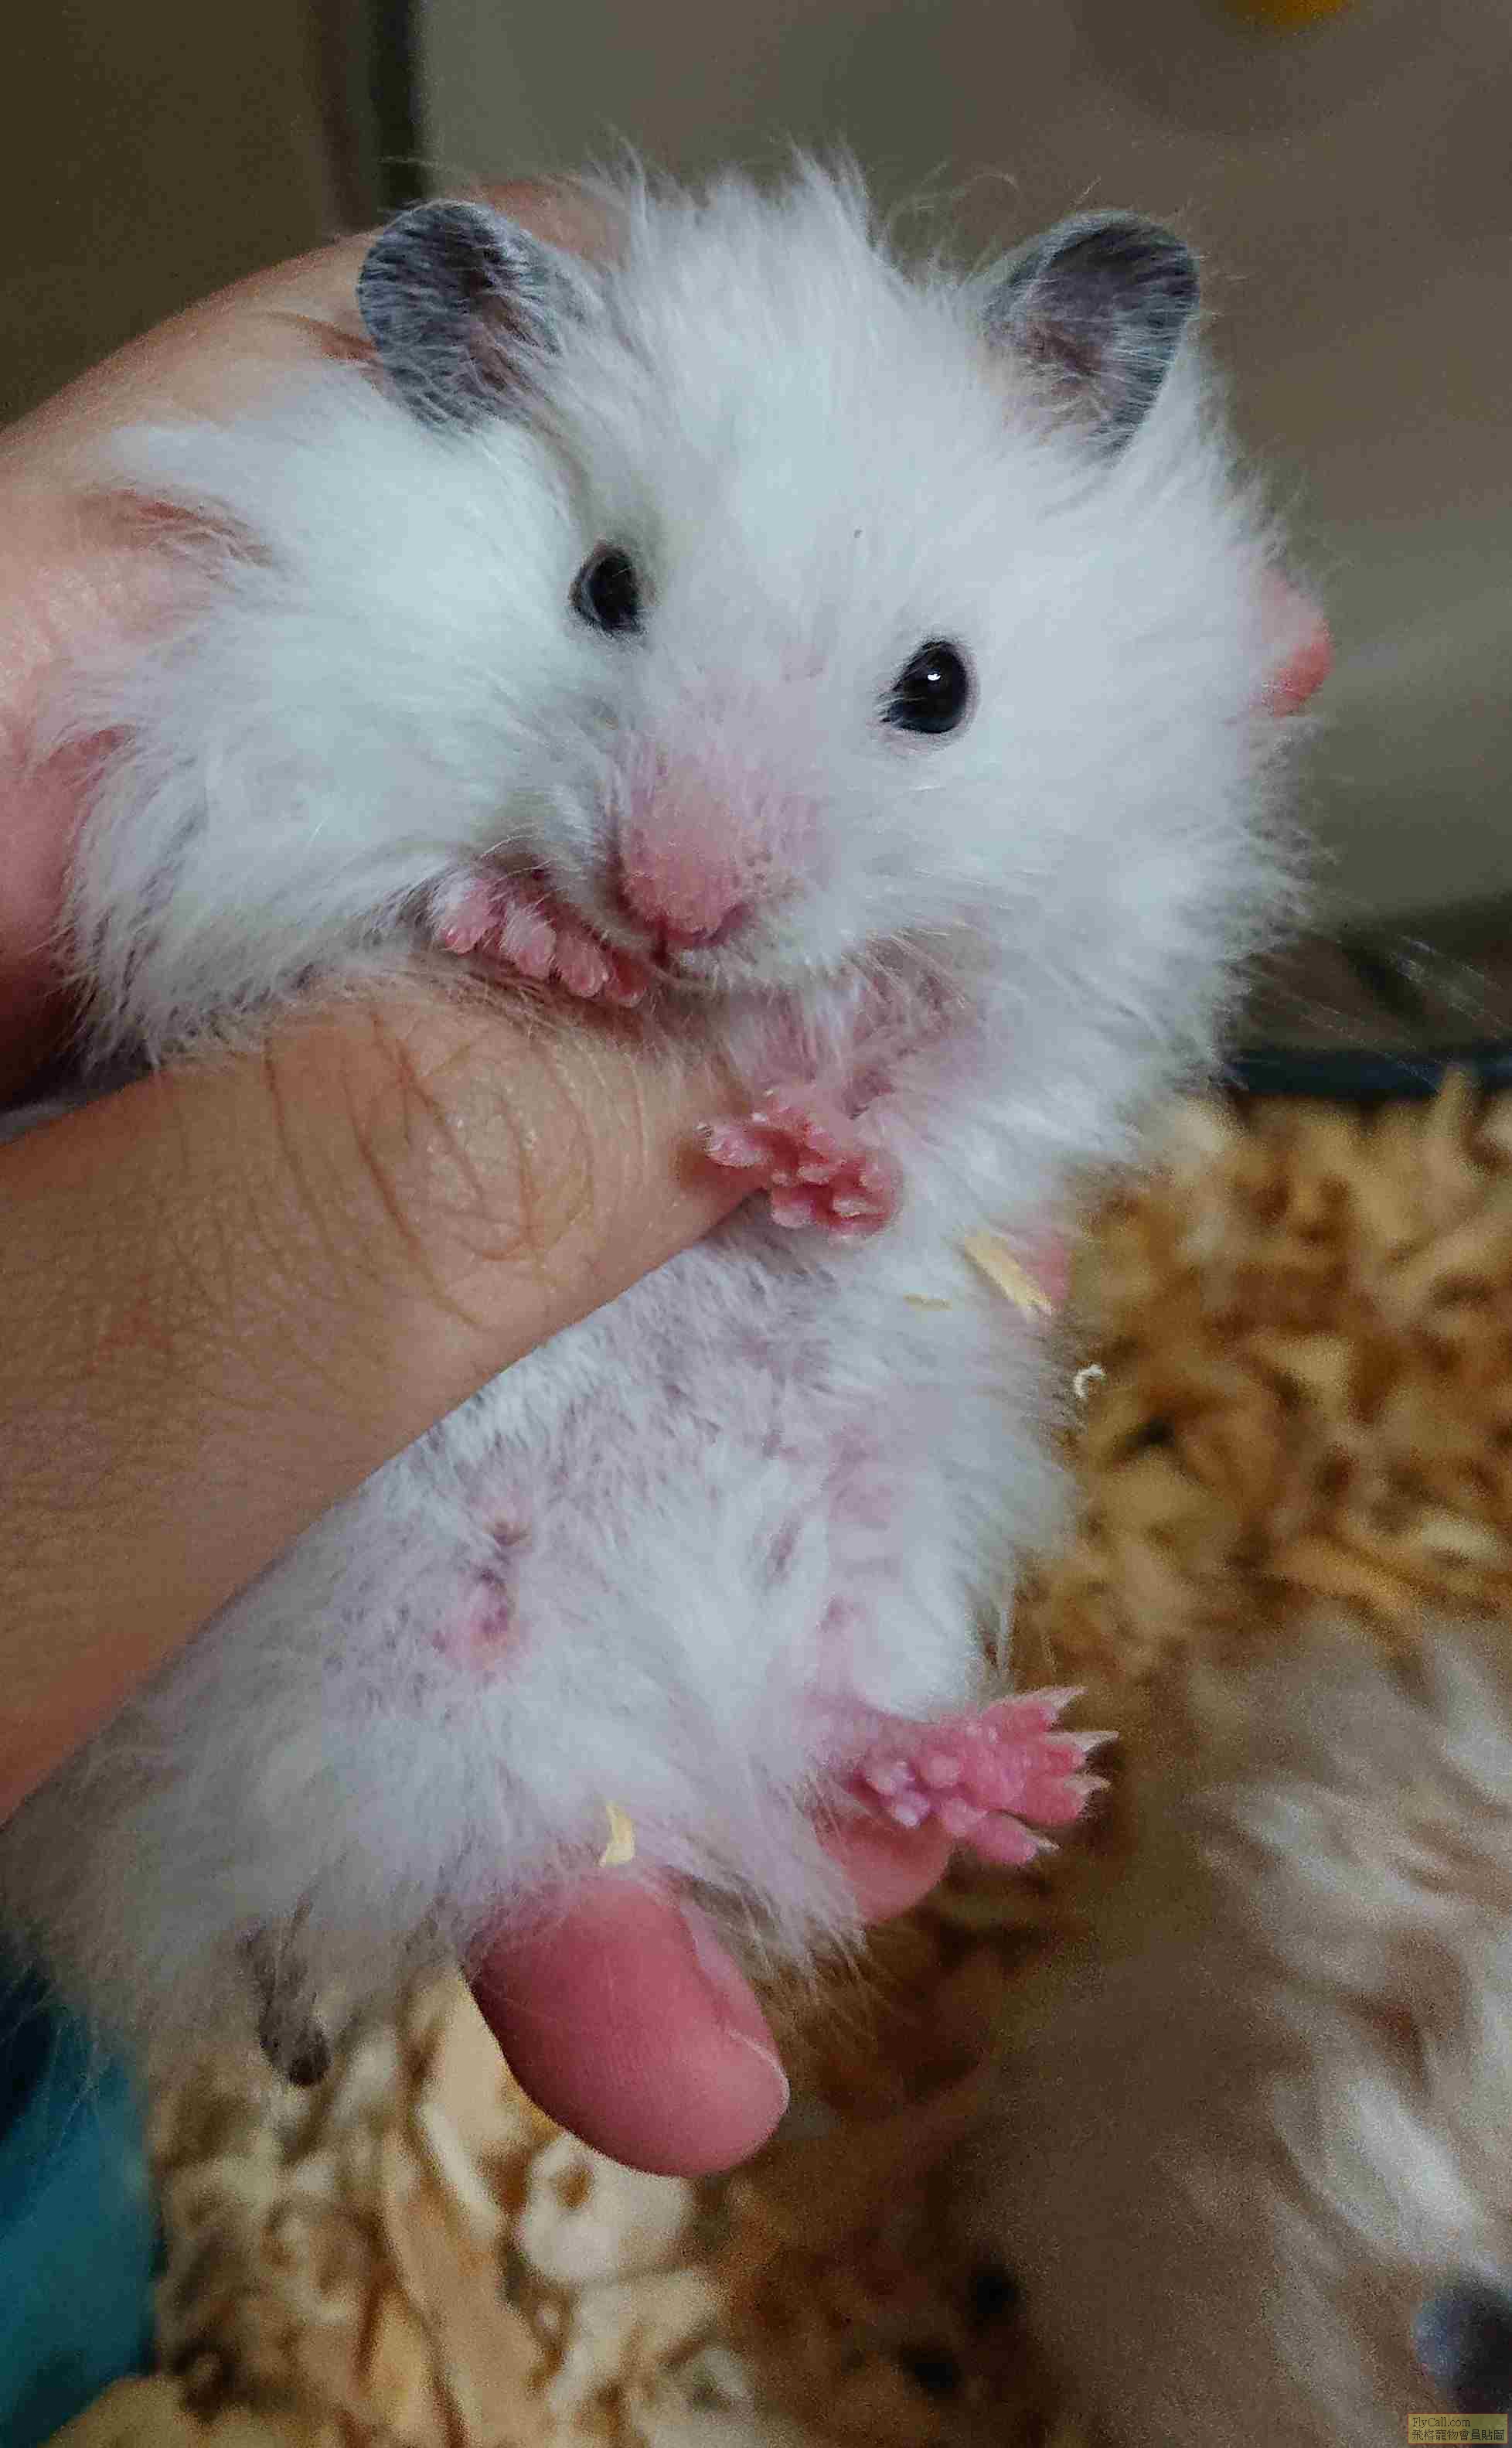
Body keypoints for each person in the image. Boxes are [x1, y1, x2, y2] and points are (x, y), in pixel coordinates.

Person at [0, 182, 949, 2242]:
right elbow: (188, 907)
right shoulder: (243, 651)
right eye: (609, 596)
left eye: (919, 695)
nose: (693, 887)